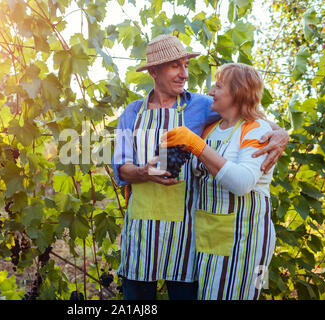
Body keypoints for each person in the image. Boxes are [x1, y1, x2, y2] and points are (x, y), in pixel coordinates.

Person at [112, 35, 288, 300]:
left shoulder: (202, 106)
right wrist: (143, 173)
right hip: (141, 229)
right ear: (153, 71)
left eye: (185, 65)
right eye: (175, 66)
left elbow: (247, 113)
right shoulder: (131, 113)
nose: (184, 74)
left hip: (186, 234)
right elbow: (121, 168)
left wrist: (280, 132)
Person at [161, 63, 277, 300]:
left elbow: (243, 183)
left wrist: (197, 146)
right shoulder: (211, 130)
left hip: (248, 243)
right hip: (212, 240)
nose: (211, 91)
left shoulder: (256, 130)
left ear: (238, 93)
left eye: (218, 86)